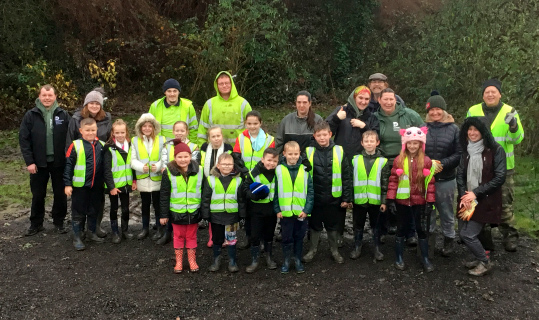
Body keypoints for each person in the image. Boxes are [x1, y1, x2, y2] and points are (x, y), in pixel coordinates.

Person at [466, 79, 524, 252]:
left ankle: (510, 237)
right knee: (481, 203)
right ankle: (484, 240)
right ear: (483, 94)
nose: (490, 95)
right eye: (486, 92)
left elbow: (517, 139)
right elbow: (468, 134)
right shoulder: (473, 110)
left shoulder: (510, 111)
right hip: (479, 166)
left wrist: (513, 126)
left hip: (504, 167)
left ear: (500, 94)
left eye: (493, 92)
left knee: (504, 205)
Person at [456, 117, 506, 276]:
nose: (472, 133)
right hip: (467, 197)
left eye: (476, 130)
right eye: (469, 130)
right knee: (464, 231)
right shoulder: (466, 150)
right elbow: (460, 175)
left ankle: (485, 263)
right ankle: (479, 258)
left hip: (486, 199)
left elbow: (500, 177)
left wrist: (475, 193)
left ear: (483, 131)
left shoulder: (496, 150)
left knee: (467, 234)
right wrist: (464, 195)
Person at [19, 84, 70, 236]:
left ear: (55, 97)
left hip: (59, 162)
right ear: (39, 97)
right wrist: (29, 162)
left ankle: (59, 222)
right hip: (38, 163)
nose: (47, 98)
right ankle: (36, 223)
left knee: (60, 194)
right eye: (44, 96)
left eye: (50, 96)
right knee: (38, 194)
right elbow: (24, 139)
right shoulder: (30, 115)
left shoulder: (63, 115)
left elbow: (71, 137)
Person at [375, 88, 424, 244]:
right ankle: (382, 230)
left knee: (406, 197)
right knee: (382, 196)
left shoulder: (409, 115)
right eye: (385, 99)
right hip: (383, 162)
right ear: (379, 100)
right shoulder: (374, 118)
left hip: (406, 162)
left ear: (396, 100)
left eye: (391, 99)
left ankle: (410, 232)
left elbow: (423, 133)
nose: (389, 102)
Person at [302, 121, 353, 264]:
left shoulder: (339, 151)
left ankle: (334, 250)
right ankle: (312, 250)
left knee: (332, 226)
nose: (322, 138)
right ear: (314, 136)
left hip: (334, 198)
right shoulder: (308, 151)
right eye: (319, 135)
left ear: (330, 134)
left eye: (325, 134)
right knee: (315, 225)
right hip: (315, 198)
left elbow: (346, 176)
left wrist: (346, 197)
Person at [386, 127, 436, 272]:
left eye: (416, 143)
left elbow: (430, 183)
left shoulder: (426, 161)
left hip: (419, 201)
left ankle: (425, 258)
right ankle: (399, 257)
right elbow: (393, 181)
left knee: (421, 229)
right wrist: (390, 199)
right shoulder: (399, 160)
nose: (412, 146)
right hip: (402, 201)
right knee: (401, 228)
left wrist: (430, 201)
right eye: (410, 143)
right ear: (405, 144)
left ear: (421, 144)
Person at [66, 89, 112, 238]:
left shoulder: (107, 118)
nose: (94, 105)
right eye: (91, 102)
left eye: (97, 103)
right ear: (86, 104)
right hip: (81, 172)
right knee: (79, 206)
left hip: (98, 170)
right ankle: (78, 234)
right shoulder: (76, 119)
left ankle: (94, 228)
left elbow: (110, 138)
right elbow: (70, 143)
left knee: (97, 203)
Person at [64, 118, 114, 250]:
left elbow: (106, 167)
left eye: (93, 130)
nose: (90, 133)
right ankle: (77, 236)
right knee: (78, 212)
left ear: (97, 130)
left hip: (96, 187)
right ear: (81, 131)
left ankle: (91, 233)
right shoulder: (75, 145)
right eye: (87, 130)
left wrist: (110, 185)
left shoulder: (102, 145)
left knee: (93, 211)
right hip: (80, 187)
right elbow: (68, 166)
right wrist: (67, 184)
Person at [424, 92, 461, 256]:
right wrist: (426, 164)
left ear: (444, 111)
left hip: (446, 178)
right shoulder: (422, 128)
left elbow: (459, 154)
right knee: (427, 211)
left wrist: (442, 164)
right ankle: (428, 240)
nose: (435, 113)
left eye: (438, 109)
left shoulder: (454, 129)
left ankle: (449, 240)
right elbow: (414, 150)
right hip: (425, 179)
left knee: (446, 212)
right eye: (432, 110)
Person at [159, 142, 204, 273]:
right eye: (179, 157)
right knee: (178, 237)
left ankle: (192, 260)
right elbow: (164, 194)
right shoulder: (168, 171)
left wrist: (204, 212)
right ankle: (179, 261)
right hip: (176, 212)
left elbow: (205, 191)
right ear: (174, 157)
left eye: (186, 156)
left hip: (194, 211)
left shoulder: (199, 170)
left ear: (190, 156)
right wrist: (163, 215)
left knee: (191, 236)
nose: (183, 160)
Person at [233, 110, 275, 250]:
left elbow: (271, 159)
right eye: (249, 123)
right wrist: (245, 172)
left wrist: (258, 170)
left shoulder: (270, 139)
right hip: (246, 178)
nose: (252, 126)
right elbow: (237, 156)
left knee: (261, 211)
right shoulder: (241, 137)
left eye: (255, 123)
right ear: (245, 123)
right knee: (248, 211)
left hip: (262, 178)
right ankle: (249, 237)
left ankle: (262, 239)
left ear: (260, 123)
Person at [273, 141, 314, 274]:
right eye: (290, 154)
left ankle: (297, 259)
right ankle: (286, 260)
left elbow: (310, 192)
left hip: (301, 212)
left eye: (295, 154)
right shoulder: (278, 169)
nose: (293, 157)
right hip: (285, 213)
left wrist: (306, 210)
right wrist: (277, 209)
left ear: (299, 154)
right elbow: (275, 192)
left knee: (299, 237)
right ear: (284, 154)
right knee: (286, 237)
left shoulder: (305, 170)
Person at [350, 130, 390, 261]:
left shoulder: (383, 161)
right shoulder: (355, 160)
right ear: (362, 143)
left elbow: (385, 183)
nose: (369, 143)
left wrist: (384, 201)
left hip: (376, 201)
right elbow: (350, 181)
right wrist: (349, 199)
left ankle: (377, 248)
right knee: (358, 224)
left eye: (372, 141)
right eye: (366, 141)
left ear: (377, 143)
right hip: (359, 200)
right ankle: (357, 246)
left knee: (376, 225)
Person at [201, 153, 245, 273]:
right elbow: (205, 198)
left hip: (232, 215)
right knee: (217, 239)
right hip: (216, 216)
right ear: (218, 165)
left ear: (233, 165)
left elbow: (241, 200)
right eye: (224, 164)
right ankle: (216, 260)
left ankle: (232, 261)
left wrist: (242, 215)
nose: (227, 166)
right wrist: (205, 215)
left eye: (229, 164)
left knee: (232, 239)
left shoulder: (238, 180)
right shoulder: (210, 179)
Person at [242, 148, 280, 273]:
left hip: (271, 210)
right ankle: (254, 260)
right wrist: (252, 195)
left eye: (275, 161)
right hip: (256, 210)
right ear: (262, 159)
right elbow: (245, 188)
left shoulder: (278, 173)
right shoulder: (255, 173)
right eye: (269, 160)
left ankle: (269, 257)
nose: (271, 163)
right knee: (255, 235)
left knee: (269, 234)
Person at [130, 113, 166, 241]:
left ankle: (159, 227)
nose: (147, 128)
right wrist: (141, 167)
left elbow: (164, 157)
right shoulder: (134, 141)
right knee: (144, 204)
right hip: (143, 178)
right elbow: (132, 160)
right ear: (140, 127)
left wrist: (158, 165)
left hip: (157, 178)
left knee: (157, 204)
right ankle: (145, 228)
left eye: (149, 126)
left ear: (153, 127)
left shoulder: (162, 140)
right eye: (144, 126)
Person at [199, 126, 235, 248]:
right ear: (209, 138)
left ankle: (226, 236)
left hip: (224, 182)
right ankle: (212, 236)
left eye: (218, 136)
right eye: (213, 136)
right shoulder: (204, 148)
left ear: (222, 136)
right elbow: (201, 163)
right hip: (208, 182)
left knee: (224, 209)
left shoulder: (228, 148)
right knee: (212, 209)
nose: (216, 139)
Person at [103, 119, 136, 243]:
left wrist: (134, 181)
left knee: (126, 208)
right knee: (114, 208)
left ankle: (125, 230)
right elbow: (106, 170)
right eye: (117, 132)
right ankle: (115, 232)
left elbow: (133, 166)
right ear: (113, 133)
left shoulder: (131, 146)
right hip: (114, 186)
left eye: (122, 132)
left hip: (126, 185)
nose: (120, 135)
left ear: (126, 132)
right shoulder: (109, 148)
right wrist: (111, 187)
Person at [198, 71, 252, 146]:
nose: (224, 86)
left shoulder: (243, 104)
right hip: (215, 149)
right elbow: (203, 129)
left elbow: (251, 128)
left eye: (227, 83)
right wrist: (202, 146)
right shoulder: (209, 104)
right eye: (221, 84)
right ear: (217, 86)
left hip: (238, 150)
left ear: (231, 84)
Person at [326, 85, 380, 157]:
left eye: (367, 99)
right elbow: (325, 133)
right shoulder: (341, 110)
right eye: (360, 98)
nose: (363, 102)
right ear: (354, 98)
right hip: (341, 158)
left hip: (362, 160)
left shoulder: (372, 117)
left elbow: (376, 138)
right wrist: (336, 118)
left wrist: (364, 127)